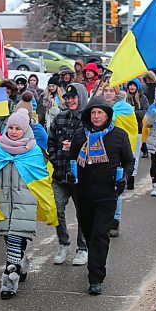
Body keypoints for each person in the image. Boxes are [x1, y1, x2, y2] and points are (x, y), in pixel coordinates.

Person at [0, 108, 57, 299]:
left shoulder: (33, 152)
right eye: (11, 127)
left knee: (15, 240)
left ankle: (9, 281)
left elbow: (42, 179)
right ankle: (22, 262)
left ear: (25, 130)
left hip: (25, 203)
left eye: (18, 128)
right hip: (4, 202)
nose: (14, 131)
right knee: (9, 239)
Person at [67, 96, 134, 296]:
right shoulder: (80, 135)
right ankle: (94, 262)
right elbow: (71, 160)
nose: (96, 116)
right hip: (83, 194)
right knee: (88, 233)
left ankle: (96, 277)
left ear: (107, 115)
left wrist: (125, 178)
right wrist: (70, 175)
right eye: (93, 113)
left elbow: (129, 161)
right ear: (88, 115)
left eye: (100, 113)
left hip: (107, 194)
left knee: (99, 234)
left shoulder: (119, 135)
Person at [48, 83, 89, 266]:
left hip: (81, 177)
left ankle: (83, 248)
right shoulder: (59, 118)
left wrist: (75, 148)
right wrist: (57, 160)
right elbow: (51, 143)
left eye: (74, 97)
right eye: (68, 98)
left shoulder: (89, 119)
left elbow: (95, 147)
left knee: (83, 213)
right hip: (60, 174)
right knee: (56, 209)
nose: (71, 101)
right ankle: (63, 242)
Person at [100, 84, 138, 237]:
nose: (108, 93)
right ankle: (103, 220)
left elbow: (130, 128)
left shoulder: (125, 108)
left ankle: (115, 221)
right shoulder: (98, 108)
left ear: (116, 93)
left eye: (111, 91)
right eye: (105, 91)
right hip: (101, 152)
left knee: (116, 188)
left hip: (119, 151)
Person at [126, 78, 149, 187]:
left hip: (138, 130)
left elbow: (145, 112)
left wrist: (132, 112)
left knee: (135, 155)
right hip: (125, 130)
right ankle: (125, 177)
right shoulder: (124, 98)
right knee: (125, 154)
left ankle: (132, 178)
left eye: (134, 85)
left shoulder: (142, 98)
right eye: (130, 85)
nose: (132, 87)